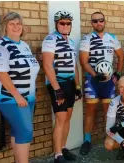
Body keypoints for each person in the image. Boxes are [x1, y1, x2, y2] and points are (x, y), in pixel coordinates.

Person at [0, 12, 40, 163]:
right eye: (12, 24)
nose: (16, 26)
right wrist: (17, 95)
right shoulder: (0, 46)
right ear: (5, 27)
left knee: (18, 130)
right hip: (9, 97)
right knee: (25, 131)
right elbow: (2, 73)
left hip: (28, 96)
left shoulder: (24, 45)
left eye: (18, 23)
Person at [79, 11, 124, 155]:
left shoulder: (112, 38)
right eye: (95, 21)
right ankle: (87, 141)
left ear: (105, 21)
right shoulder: (87, 39)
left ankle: (110, 137)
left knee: (108, 113)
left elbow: (121, 56)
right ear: (91, 23)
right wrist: (94, 75)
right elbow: (83, 61)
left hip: (109, 83)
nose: (98, 23)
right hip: (92, 81)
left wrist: (117, 73)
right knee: (90, 112)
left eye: (101, 20)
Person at [42, 10, 80, 162]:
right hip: (58, 83)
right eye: (62, 23)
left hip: (70, 83)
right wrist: (57, 89)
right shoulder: (50, 39)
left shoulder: (70, 42)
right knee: (61, 118)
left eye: (68, 23)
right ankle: (57, 154)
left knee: (68, 117)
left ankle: (63, 148)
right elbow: (46, 65)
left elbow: (74, 65)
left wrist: (77, 86)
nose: (65, 25)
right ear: (56, 24)